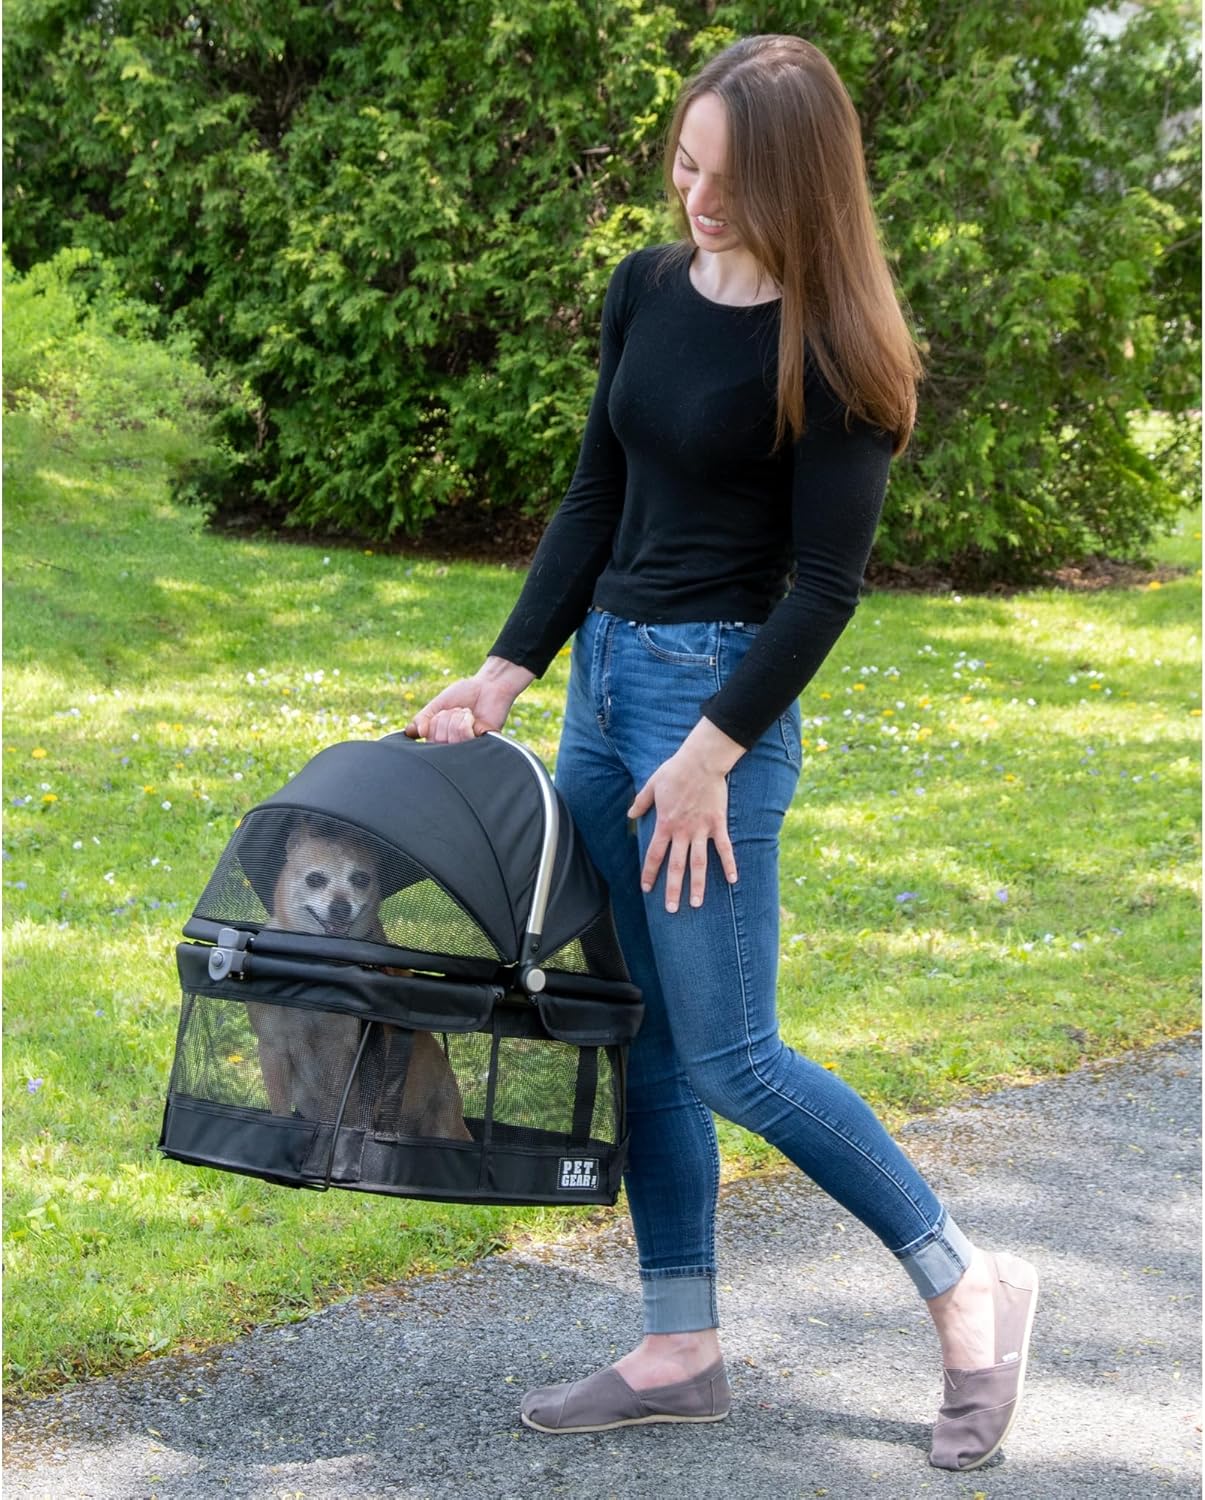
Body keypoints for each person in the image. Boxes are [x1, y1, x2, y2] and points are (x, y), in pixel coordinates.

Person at [407, 33, 1038, 1473]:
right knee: (636, 1028)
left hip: (715, 713)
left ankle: (967, 1285)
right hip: (604, 691)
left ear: (801, 188)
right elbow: (595, 493)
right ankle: (678, 1343)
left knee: (736, 1055)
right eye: (685, 167)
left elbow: (824, 589)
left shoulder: (839, 349)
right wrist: (507, 671)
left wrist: (710, 753)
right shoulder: (646, 288)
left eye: (730, 183)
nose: (695, 201)